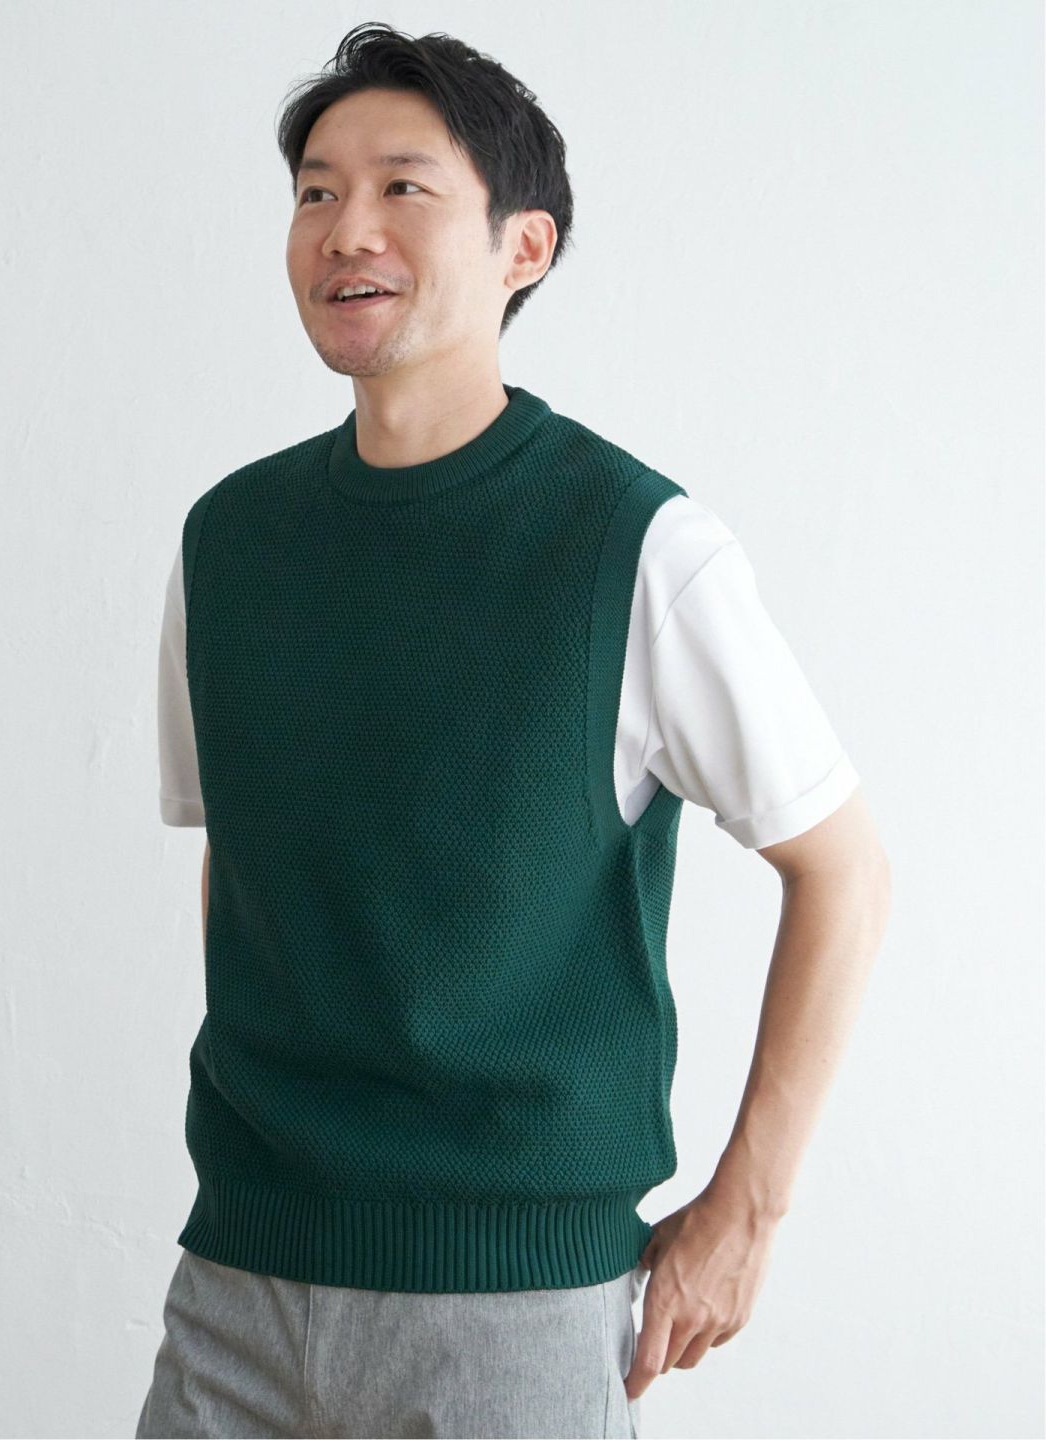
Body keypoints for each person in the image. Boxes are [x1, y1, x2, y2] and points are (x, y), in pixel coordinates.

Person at [135, 21, 891, 1440]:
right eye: (315, 191)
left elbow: (842, 869)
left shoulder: (638, 545)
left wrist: (745, 1211)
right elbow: (248, 866)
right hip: (236, 1283)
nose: (345, 228)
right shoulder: (228, 542)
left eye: (403, 188)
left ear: (522, 247)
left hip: (518, 1311)